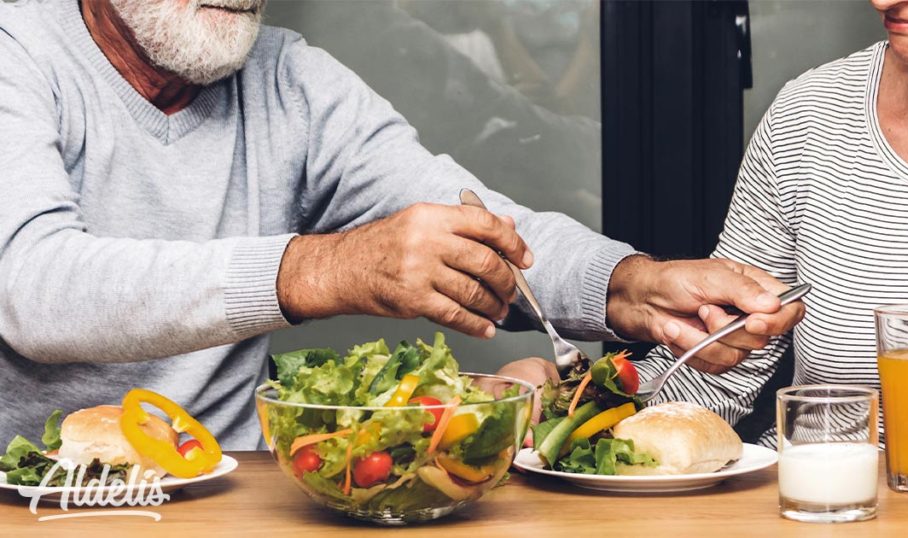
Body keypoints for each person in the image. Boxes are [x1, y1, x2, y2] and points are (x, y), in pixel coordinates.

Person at [0, 0, 804, 449]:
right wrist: (317, 270)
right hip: (33, 498)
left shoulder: (289, 78)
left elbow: (476, 221)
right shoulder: (17, 48)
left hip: (235, 493)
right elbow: (33, 285)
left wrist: (631, 287)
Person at [621, 0, 908, 471]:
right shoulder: (810, 115)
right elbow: (716, 372)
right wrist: (575, 407)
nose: (882, 0)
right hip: (817, 500)